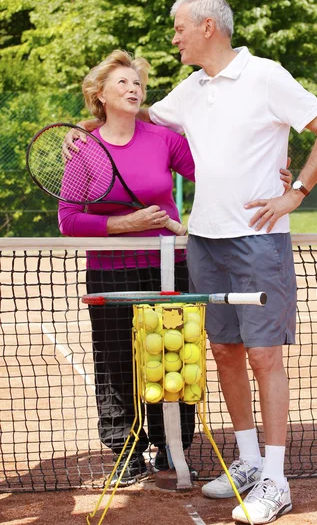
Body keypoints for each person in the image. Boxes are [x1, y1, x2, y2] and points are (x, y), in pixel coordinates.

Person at [66, 0, 317, 524]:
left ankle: (275, 479)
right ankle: (245, 460)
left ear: (207, 28)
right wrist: (95, 124)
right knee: (223, 352)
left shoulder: (266, 75)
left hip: (259, 238)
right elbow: (144, 114)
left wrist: (297, 191)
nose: (173, 37)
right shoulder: (191, 90)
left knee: (265, 357)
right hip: (205, 241)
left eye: (178, 28)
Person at [58, 49, 198, 486]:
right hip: (110, 269)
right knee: (116, 360)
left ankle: (172, 446)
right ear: (99, 94)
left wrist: (273, 177)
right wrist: (125, 224)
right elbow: (69, 219)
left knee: (172, 355)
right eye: (122, 82)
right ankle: (126, 452)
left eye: (137, 82)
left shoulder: (163, 139)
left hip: (169, 266)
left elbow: (209, 174)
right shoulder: (84, 147)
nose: (133, 88)